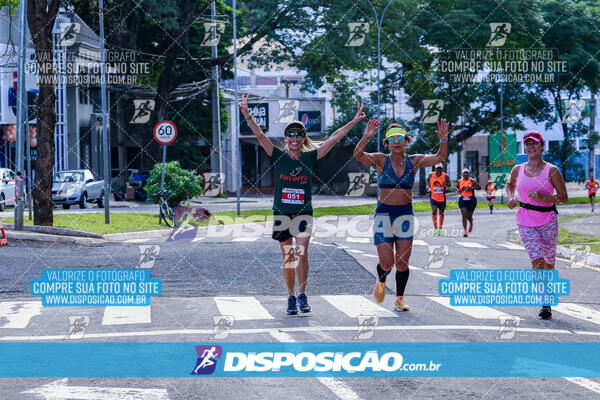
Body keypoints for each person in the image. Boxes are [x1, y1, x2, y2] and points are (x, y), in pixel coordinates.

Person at [239, 94, 365, 315]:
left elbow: (334, 137)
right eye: (290, 135)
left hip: (303, 213)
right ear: (286, 139)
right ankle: (290, 297)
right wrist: (247, 114)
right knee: (288, 256)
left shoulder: (310, 157)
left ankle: (303, 294)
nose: (294, 139)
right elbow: (259, 134)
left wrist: (354, 121)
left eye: (298, 135)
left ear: (303, 138)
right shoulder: (278, 156)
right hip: (281, 213)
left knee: (302, 252)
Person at [354, 118, 449, 311]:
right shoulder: (381, 160)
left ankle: (399, 298)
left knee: (402, 264)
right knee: (387, 264)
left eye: (400, 138)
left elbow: (440, 157)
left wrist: (444, 140)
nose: (397, 141)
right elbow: (358, 154)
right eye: (392, 138)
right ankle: (381, 279)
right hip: (384, 215)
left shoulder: (415, 161)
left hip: (405, 215)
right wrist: (366, 136)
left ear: (406, 141)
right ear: (387, 143)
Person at [506, 131, 567, 320]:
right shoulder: (518, 168)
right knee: (537, 260)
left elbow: (564, 198)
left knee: (549, 262)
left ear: (542, 146)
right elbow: (510, 185)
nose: (530, 147)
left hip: (548, 220)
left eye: (534, 144)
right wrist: (511, 197)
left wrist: (544, 198)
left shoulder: (553, 170)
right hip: (525, 220)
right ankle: (545, 302)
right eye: (527, 144)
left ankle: (546, 294)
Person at [427, 163, 450, 235]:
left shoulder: (445, 176)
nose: (439, 170)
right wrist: (428, 186)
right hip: (433, 196)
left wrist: (445, 184)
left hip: (442, 197)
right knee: (434, 211)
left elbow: (449, 185)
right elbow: (427, 180)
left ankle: (440, 228)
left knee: (441, 213)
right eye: (438, 168)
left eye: (440, 168)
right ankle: (435, 228)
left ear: (442, 169)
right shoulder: (431, 175)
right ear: (435, 169)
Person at [457, 169, 481, 237]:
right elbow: (457, 188)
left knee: (469, 215)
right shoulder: (459, 181)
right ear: (462, 174)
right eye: (464, 173)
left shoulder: (472, 181)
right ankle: (465, 231)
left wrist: (472, 187)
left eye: (466, 173)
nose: (465, 174)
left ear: (468, 174)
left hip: (471, 200)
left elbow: (479, 187)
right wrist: (458, 190)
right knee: (464, 214)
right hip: (463, 199)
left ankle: (471, 223)